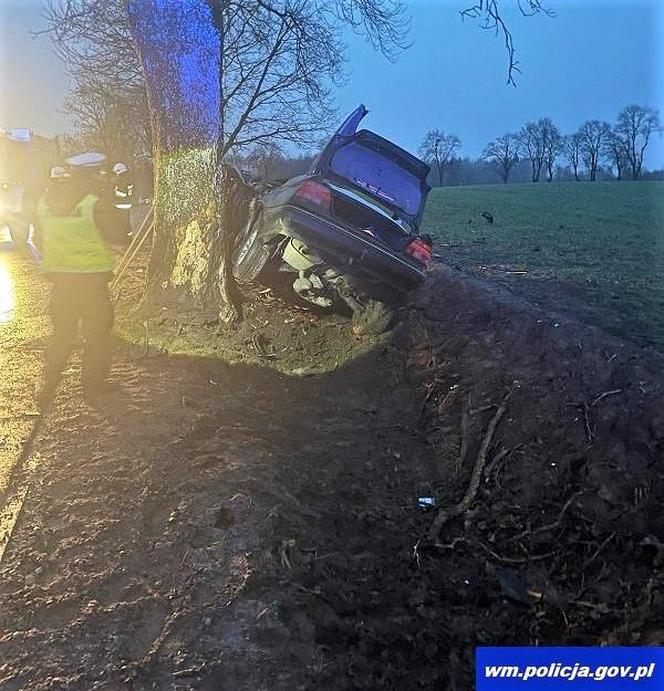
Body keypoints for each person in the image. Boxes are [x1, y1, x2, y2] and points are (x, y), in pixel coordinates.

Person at [35, 159, 129, 400]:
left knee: (62, 333)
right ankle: (93, 386)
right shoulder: (92, 203)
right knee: (97, 335)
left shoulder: (44, 204)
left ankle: (49, 383)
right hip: (92, 284)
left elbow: (37, 239)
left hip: (60, 283)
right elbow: (120, 233)